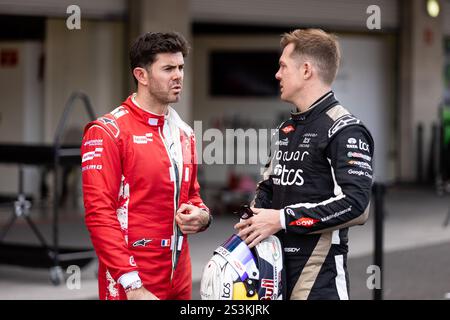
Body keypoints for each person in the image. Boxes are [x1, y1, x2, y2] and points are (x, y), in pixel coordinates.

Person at [235, 29, 374, 300]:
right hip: (274, 270)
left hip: (320, 277)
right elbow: (269, 185)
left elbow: (358, 206)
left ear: (307, 70)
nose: (277, 74)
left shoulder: (345, 129)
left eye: (283, 66)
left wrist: (281, 219)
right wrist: (253, 217)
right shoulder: (286, 127)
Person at [81, 32, 211, 300]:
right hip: (131, 279)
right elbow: (99, 214)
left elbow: (192, 195)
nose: (178, 76)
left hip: (180, 277)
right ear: (141, 75)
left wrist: (202, 216)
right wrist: (133, 285)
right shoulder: (108, 131)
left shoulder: (184, 132)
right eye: (168, 68)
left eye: (181, 67)